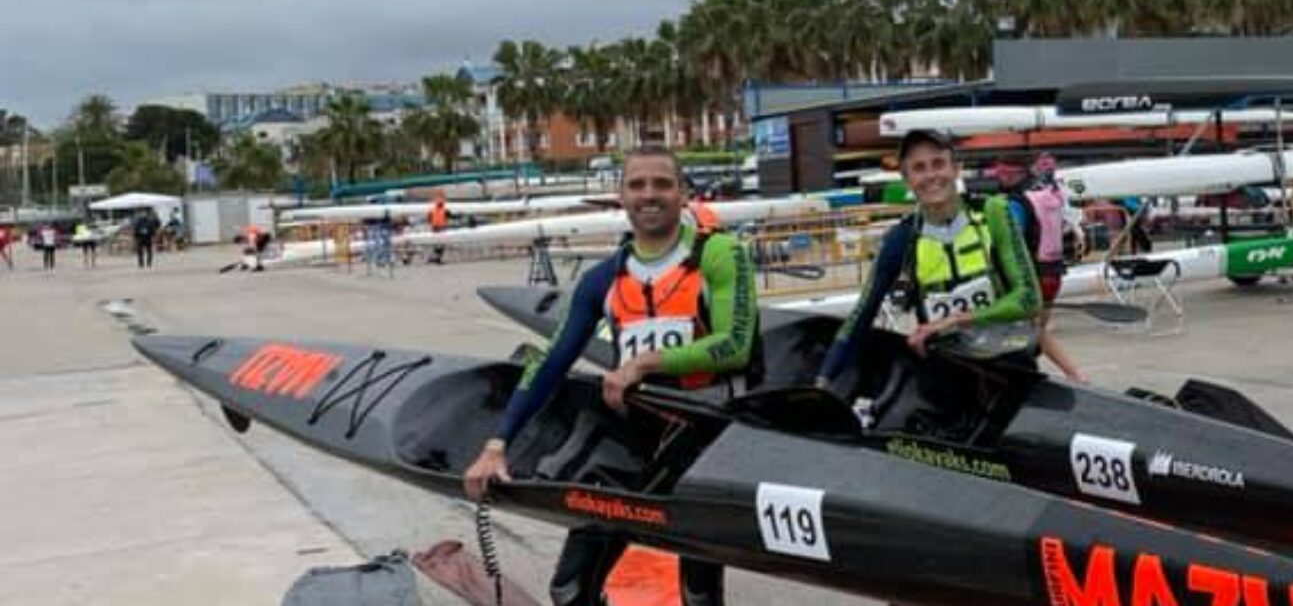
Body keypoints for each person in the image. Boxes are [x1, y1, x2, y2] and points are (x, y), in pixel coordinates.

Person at [464, 147, 752, 606]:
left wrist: (643, 364)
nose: (649, 194)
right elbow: (552, 361)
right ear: (621, 196)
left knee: (698, 596)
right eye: (637, 185)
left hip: (705, 444)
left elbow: (734, 346)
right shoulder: (604, 278)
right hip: (632, 445)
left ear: (682, 193)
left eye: (662, 184)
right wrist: (497, 444)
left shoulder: (719, 254)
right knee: (570, 590)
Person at [818, 130, 1074, 411]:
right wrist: (822, 382)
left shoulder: (994, 213)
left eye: (938, 164)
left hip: (1009, 370)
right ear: (907, 179)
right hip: (946, 381)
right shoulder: (900, 240)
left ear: (956, 169)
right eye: (918, 168)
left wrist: (954, 321)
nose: (930, 176)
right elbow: (860, 316)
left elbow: (1028, 298)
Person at [989, 155, 1087, 383]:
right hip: (1053, 273)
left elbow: (1010, 241)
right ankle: (1075, 375)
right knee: (1038, 330)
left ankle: (1026, 376)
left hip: (1030, 276)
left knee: (1020, 330)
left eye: (1001, 173)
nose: (998, 178)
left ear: (1014, 174)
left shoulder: (1016, 201)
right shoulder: (1051, 194)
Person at [427, 193, 449, 265]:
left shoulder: (432, 209)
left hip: (436, 227)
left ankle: (434, 258)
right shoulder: (442, 209)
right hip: (439, 227)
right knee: (441, 244)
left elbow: (429, 218)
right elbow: (448, 215)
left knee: (437, 243)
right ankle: (437, 258)